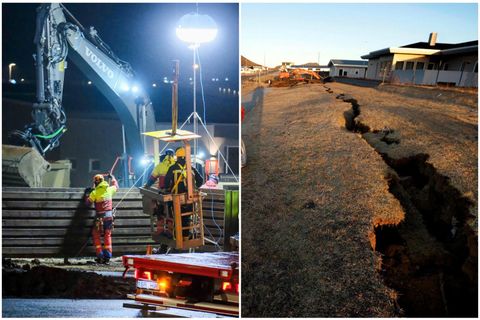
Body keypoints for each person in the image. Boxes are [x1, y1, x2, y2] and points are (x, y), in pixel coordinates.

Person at [165, 147, 203, 237]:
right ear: (186, 157)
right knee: (187, 218)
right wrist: (194, 188)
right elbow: (200, 180)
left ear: (176, 157)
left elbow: (166, 183)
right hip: (189, 199)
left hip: (176, 199)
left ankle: (177, 237)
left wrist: (168, 188)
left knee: (177, 219)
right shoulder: (191, 168)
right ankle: (186, 237)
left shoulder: (172, 168)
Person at [85, 174, 118, 264]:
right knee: (107, 235)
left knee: (96, 234)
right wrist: (113, 178)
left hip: (100, 218)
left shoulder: (95, 193)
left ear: (95, 182)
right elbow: (116, 186)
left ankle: (100, 255)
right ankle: (107, 256)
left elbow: (87, 203)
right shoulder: (109, 189)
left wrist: (88, 194)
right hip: (109, 217)